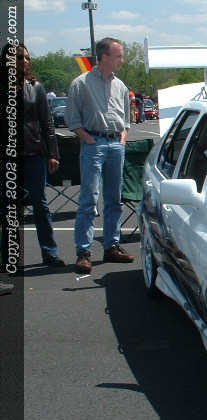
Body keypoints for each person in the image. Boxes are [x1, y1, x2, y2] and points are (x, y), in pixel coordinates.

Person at [65, 37, 134, 274]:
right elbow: (72, 119)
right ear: (104, 57)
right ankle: (84, 252)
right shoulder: (81, 84)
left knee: (115, 199)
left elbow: (126, 118)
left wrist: (122, 136)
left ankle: (111, 246)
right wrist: (87, 138)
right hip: (94, 144)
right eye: (118, 56)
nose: (122, 60)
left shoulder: (120, 85)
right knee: (89, 199)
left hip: (116, 144)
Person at [15, 44, 65, 266]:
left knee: (40, 205)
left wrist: (53, 153)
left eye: (27, 57)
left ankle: (50, 251)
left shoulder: (36, 88)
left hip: (34, 153)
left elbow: (47, 123)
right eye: (19, 57)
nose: (25, 61)